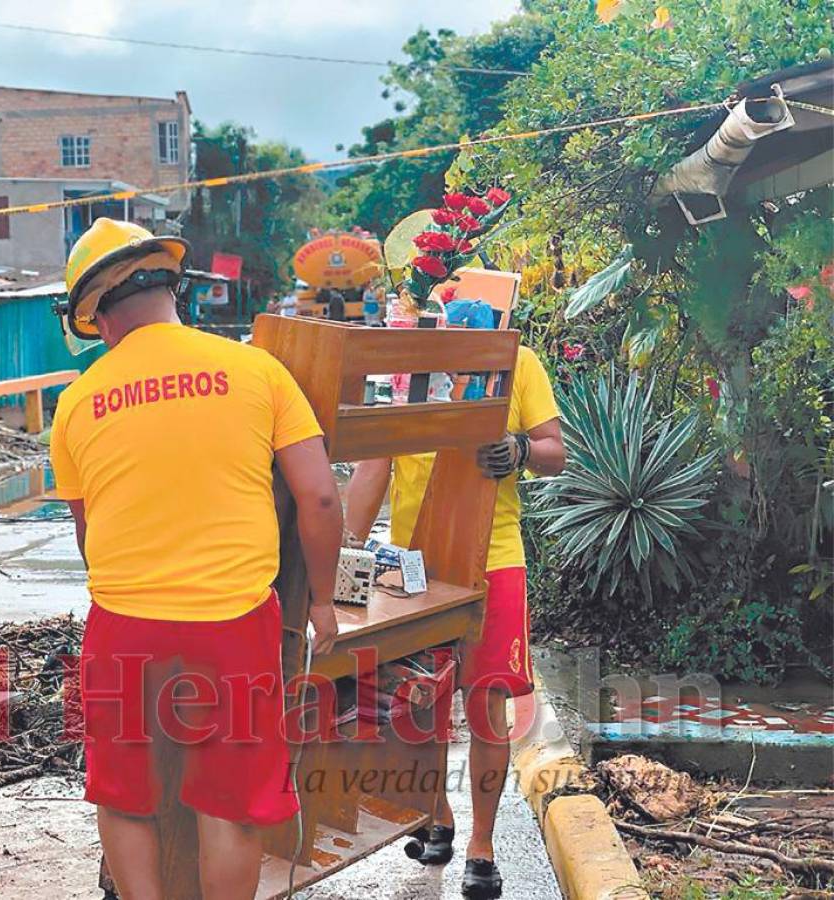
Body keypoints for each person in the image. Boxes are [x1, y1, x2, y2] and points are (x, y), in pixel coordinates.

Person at [51, 218, 343, 900]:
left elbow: (89, 533)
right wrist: (323, 600)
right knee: (228, 805)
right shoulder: (256, 370)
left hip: (123, 624)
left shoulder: (75, 404)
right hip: (234, 622)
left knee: (125, 797)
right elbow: (322, 499)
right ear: (175, 289)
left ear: (96, 316)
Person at [343, 345, 565, 900]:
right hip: (414, 567)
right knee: (420, 705)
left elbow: (553, 452)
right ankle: (437, 813)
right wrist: (344, 550)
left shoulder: (520, 364)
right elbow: (377, 463)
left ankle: (481, 847)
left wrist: (519, 448)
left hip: (494, 558)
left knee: (488, 704)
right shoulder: (410, 365)